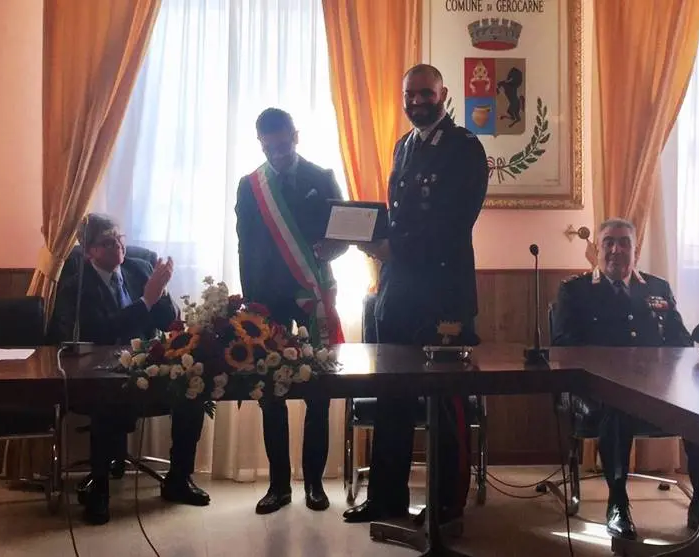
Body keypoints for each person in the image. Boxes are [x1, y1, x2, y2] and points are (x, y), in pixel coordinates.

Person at [343, 64, 488, 524]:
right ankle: (386, 498)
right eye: (410, 94)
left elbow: (453, 223)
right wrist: (365, 236)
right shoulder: (403, 146)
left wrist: (394, 247)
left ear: (442, 94)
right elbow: (398, 217)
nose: (417, 101)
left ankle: (446, 506)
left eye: (425, 93)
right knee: (392, 397)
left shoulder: (464, 147)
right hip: (398, 294)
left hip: (443, 297)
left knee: (445, 402)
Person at [52, 213, 209, 525]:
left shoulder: (139, 269)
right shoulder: (77, 286)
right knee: (106, 396)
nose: (118, 247)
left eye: (120, 239)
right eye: (107, 243)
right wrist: (145, 301)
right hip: (100, 371)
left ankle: (178, 479)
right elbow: (100, 333)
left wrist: (162, 292)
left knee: (192, 392)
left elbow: (169, 322)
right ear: (90, 251)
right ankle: (99, 490)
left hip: (146, 366)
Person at [551, 217, 699, 540]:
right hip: (598, 390)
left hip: (656, 389)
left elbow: (681, 341)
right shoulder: (575, 291)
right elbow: (564, 347)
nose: (616, 250)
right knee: (618, 407)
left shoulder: (657, 288)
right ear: (597, 249)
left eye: (624, 243)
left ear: (636, 251)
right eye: (608, 242)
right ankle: (617, 502)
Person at [235, 108, 347, 514]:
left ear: (295, 136)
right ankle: (278, 486)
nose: (278, 154)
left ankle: (314, 484)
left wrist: (336, 247)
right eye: (270, 148)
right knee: (271, 391)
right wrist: (252, 305)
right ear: (260, 144)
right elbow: (245, 247)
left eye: (283, 145)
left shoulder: (322, 177)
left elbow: (343, 232)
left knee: (318, 390)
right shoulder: (251, 186)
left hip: (313, 293)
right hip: (270, 301)